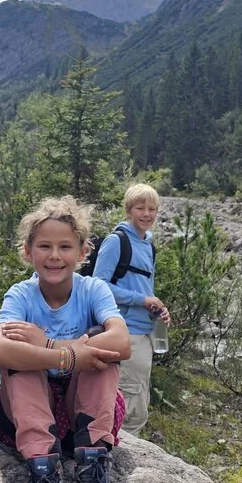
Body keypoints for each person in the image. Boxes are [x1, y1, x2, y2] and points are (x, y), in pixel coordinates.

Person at [0, 196, 132, 483]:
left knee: (102, 347)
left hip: (83, 418)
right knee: (18, 356)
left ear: (82, 253)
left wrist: (50, 345)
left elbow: (122, 343)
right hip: (29, 418)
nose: (54, 255)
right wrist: (65, 356)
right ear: (28, 252)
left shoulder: (92, 289)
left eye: (65, 247)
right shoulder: (21, 295)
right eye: (44, 246)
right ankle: (43, 474)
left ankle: (93, 468)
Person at [93, 183, 169, 437]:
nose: (146, 214)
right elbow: (98, 285)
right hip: (125, 331)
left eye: (152, 209)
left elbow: (145, 288)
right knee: (129, 400)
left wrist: (157, 309)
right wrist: (141, 300)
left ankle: (125, 446)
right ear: (128, 210)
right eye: (140, 208)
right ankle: (120, 449)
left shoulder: (149, 245)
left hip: (145, 330)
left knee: (139, 396)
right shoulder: (117, 241)